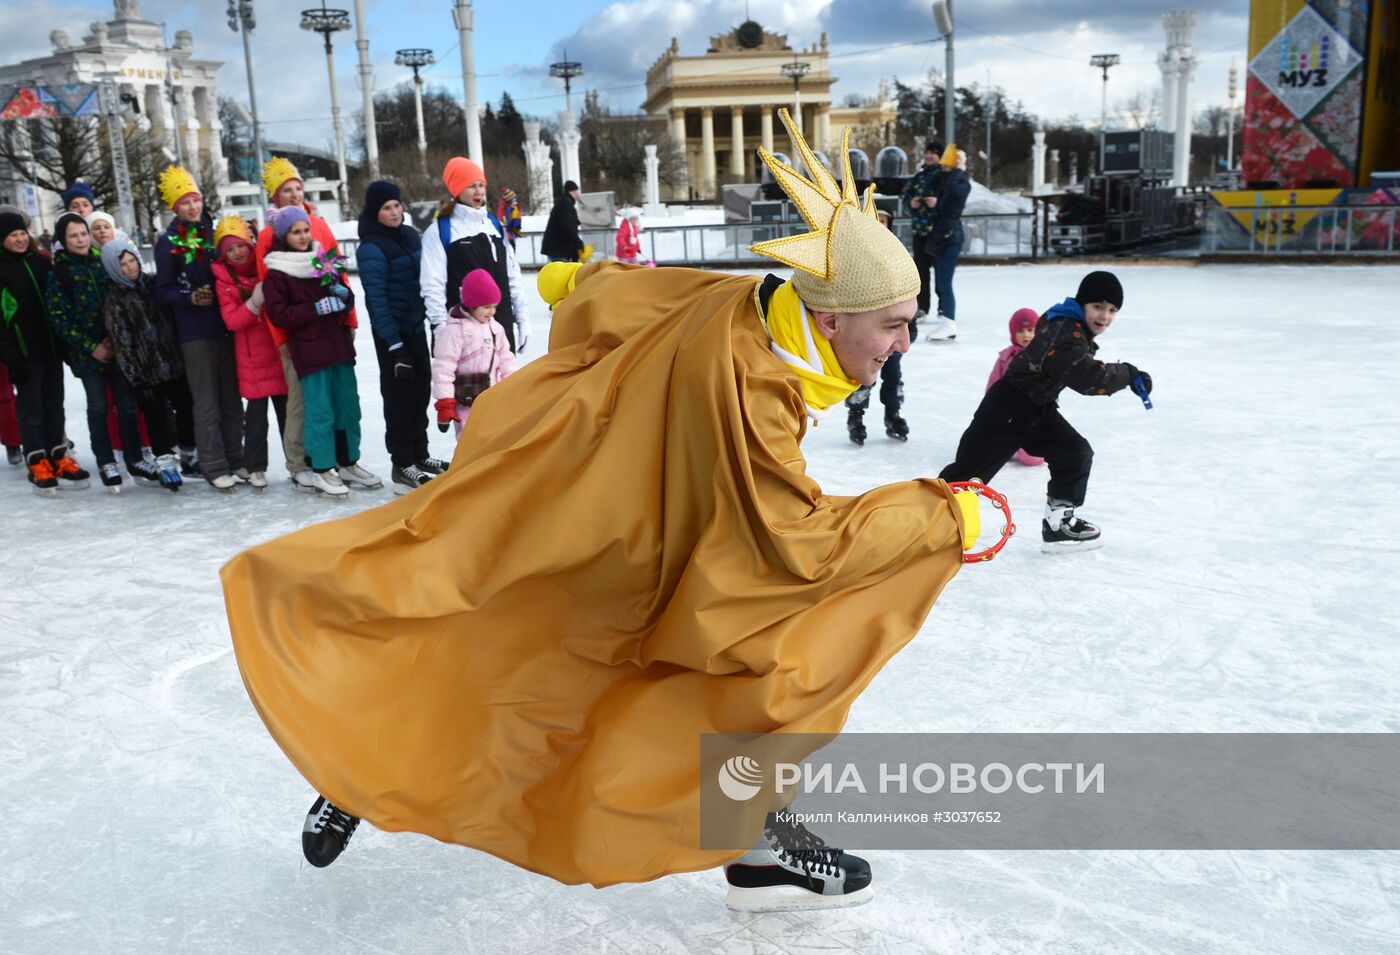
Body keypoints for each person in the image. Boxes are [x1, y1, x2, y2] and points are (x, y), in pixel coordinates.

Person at [222, 112, 989, 913]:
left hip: (628, 526)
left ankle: (757, 846)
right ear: (830, 318)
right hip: (604, 541)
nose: (903, 343)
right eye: (894, 325)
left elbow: (637, 288)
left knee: (653, 663)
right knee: (751, 661)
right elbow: (798, 542)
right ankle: (361, 757)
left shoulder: (753, 303)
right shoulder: (762, 386)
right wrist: (942, 518)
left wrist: (574, 282)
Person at [939, 271, 1152, 553]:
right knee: (968, 476)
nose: (1105, 316)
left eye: (1112, 310)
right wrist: (1128, 373)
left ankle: (1058, 526)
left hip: (1036, 407)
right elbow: (1087, 377)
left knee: (1074, 452)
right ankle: (922, 524)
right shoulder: (1066, 331)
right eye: (1098, 307)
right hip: (1009, 408)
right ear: (1083, 304)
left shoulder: (1071, 326)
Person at [254, 155, 359, 491]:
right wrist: (282, 338)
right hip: (301, 341)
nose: (296, 194)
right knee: (307, 404)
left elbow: (338, 275)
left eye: (299, 188)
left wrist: (349, 317)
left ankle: (344, 461)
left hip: (334, 338)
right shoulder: (271, 246)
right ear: (276, 197)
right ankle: (305, 463)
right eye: (287, 190)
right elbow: (275, 302)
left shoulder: (319, 230)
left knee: (343, 402)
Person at [261, 205, 378, 497]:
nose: (302, 236)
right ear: (284, 236)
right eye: (295, 232)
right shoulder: (277, 273)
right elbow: (279, 314)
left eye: (304, 230)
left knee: (348, 407)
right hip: (309, 351)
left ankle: (348, 462)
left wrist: (345, 297)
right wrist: (315, 308)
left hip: (337, 345)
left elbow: (345, 294)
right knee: (320, 411)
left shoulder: (322, 260)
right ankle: (323, 468)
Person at [152, 165, 247, 491]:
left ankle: (237, 459)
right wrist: (190, 297)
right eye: (185, 202)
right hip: (195, 333)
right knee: (206, 403)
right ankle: (214, 464)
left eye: (195, 199)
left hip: (226, 326)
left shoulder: (213, 234)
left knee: (232, 400)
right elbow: (162, 289)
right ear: (175, 208)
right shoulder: (168, 243)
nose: (192, 206)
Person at [357, 179, 445, 494]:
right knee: (399, 400)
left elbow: (427, 277)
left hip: (414, 326)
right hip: (392, 335)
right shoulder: (371, 247)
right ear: (374, 212)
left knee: (421, 391)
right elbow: (376, 301)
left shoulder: (409, 235)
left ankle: (420, 454)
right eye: (386, 208)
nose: (394, 212)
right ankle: (401, 463)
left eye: (397, 205)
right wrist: (394, 347)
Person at [47, 212, 134, 491]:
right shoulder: (59, 271)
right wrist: (91, 347)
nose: (81, 239)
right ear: (64, 240)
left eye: (83, 233)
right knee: (98, 406)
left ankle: (134, 457)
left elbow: (120, 300)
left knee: (127, 404)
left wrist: (114, 338)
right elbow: (59, 318)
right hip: (87, 354)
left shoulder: (102, 262)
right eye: (73, 235)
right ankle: (106, 461)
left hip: (115, 347)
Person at [100, 234, 188, 490]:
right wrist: (134, 374)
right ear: (114, 269)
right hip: (146, 371)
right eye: (123, 265)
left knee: (184, 406)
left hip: (172, 362)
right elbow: (122, 341)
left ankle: (188, 453)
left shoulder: (153, 284)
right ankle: (165, 461)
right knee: (156, 415)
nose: (130, 268)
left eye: (132, 261)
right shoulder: (115, 299)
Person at [419, 157, 531, 354]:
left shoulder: (495, 226)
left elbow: (512, 274)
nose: (479, 191)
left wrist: (522, 318)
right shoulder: (440, 231)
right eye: (471, 186)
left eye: (481, 185)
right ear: (457, 190)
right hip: (463, 333)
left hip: (501, 327)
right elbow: (432, 285)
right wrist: (440, 328)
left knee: (507, 385)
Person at [0, 209, 77, 494]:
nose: (20, 239)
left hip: (50, 347)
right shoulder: (2, 268)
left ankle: (57, 453)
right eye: (12, 235)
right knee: (31, 407)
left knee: (54, 403)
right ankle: (36, 459)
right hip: (23, 352)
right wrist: (10, 356)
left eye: (22, 233)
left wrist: (63, 343)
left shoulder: (40, 261)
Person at [212, 215, 284, 490]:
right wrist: (254, 304)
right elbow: (232, 320)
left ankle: (299, 462)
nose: (237, 252)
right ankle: (256, 466)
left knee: (289, 414)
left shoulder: (265, 266)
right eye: (230, 249)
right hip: (252, 357)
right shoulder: (223, 279)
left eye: (240, 245)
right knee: (256, 419)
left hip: (277, 349)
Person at [845, 209, 909, 445]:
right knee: (865, 373)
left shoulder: (898, 255)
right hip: (867, 325)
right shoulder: (856, 255)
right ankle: (856, 415)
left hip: (892, 324)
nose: (880, 224)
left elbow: (909, 288)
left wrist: (907, 321)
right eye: (876, 220)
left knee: (893, 373)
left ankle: (893, 414)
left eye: (884, 221)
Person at [431, 269, 516, 438]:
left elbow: (506, 358)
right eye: (486, 307)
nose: (491, 312)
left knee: (494, 437)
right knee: (468, 439)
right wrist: (445, 402)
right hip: (465, 399)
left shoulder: (495, 328)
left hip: (492, 395)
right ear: (471, 305)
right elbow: (444, 367)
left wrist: (513, 383)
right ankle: (469, 464)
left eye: (494, 306)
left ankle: (492, 464)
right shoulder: (454, 331)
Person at [985, 307, 1045, 468]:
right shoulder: (1005, 358)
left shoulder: (1042, 357)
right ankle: (1007, 444)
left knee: (1032, 459)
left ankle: (1021, 447)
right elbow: (993, 382)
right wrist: (992, 406)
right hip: (1008, 411)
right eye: (1020, 330)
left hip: (1032, 413)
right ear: (1013, 333)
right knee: (989, 446)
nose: (1025, 334)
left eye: (1030, 330)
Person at [923, 146, 970, 343]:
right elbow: (931, 183)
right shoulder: (944, 179)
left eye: (950, 162)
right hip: (942, 235)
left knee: (945, 281)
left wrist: (959, 168)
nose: (945, 166)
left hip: (951, 237)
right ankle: (945, 319)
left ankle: (949, 322)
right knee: (941, 280)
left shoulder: (961, 181)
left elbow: (954, 192)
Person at [901, 142, 944, 326]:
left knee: (942, 273)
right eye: (927, 152)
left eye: (934, 153)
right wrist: (912, 203)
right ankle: (922, 307)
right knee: (921, 272)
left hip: (938, 232)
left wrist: (937, 202)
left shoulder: (945, 177)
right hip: (920, 231)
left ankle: (944, 309)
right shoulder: (918, 177)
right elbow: (905, 198)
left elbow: (952, 202)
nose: (929, 156)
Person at [540, 179, 586, 263]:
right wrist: (578, 243)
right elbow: (567, 227)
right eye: (578, 190)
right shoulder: (565, 204)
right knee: (560, 274)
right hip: (558, 249)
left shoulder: (565, 202)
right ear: (574, 191)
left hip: (559, 248)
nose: (579, 193)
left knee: (563, 273)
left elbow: (568, 224)